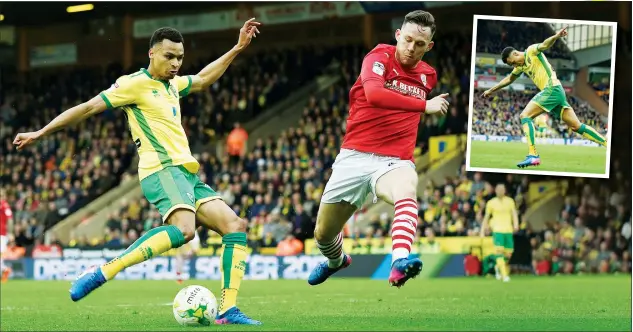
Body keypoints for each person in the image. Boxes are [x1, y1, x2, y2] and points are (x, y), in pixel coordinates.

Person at [13, 19, 262, 325]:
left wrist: (237, 48)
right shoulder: (132, 84)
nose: (175, 63)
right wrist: (41, 132)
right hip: (161, 169)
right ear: (151, 54)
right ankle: (104, 271)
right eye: (169, 56)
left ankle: (228, 309)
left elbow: (201, 79)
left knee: (234, 225)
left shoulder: (172, 85)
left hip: (186, 173)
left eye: (179, 58)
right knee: (185, 230)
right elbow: (88, 108)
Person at [307, 10, 449, 288]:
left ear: (429, 46)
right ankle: (336, 262)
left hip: (395, 161)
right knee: (323, 234)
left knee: (406, 191)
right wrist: (424, 105)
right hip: (354, 157)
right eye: (407, 40)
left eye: (419, 44)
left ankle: (399, 262)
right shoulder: (378, 57)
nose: (411, 48)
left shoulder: (428, 76)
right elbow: (373, 94)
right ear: (398, 35)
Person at [481, 26, 607, 168]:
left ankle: (533, 155)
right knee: (576, 126)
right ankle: (607, 144)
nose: (514, 65)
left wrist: (556, 36)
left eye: (512, 62)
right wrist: (491, 90)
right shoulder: (521, 67)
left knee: (525, 116)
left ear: (515, 54)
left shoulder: (531, 52)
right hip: (556, 93)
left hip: (552, 89)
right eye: (511, 65)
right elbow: (509, 79)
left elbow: (544, 45)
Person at [480, 183, 519, 282]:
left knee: (508, 254)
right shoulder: (491, 203)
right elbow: (486, 217)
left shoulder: (510, 201)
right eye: (498, 189)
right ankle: (505, 275)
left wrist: (516, 224)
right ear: (495, 191)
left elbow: (514, 213)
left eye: (502, 189)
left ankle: (498, 267)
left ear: (504, 191)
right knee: (499, 252)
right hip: (497, 230)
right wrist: (482, 230)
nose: (500, 191)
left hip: (508, 230)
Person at [0, 189, 13, 283]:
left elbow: (10, 220)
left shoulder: (5, 206)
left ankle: (4, 269)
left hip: (2, 234)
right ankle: (4, 270)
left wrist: (10, 232)